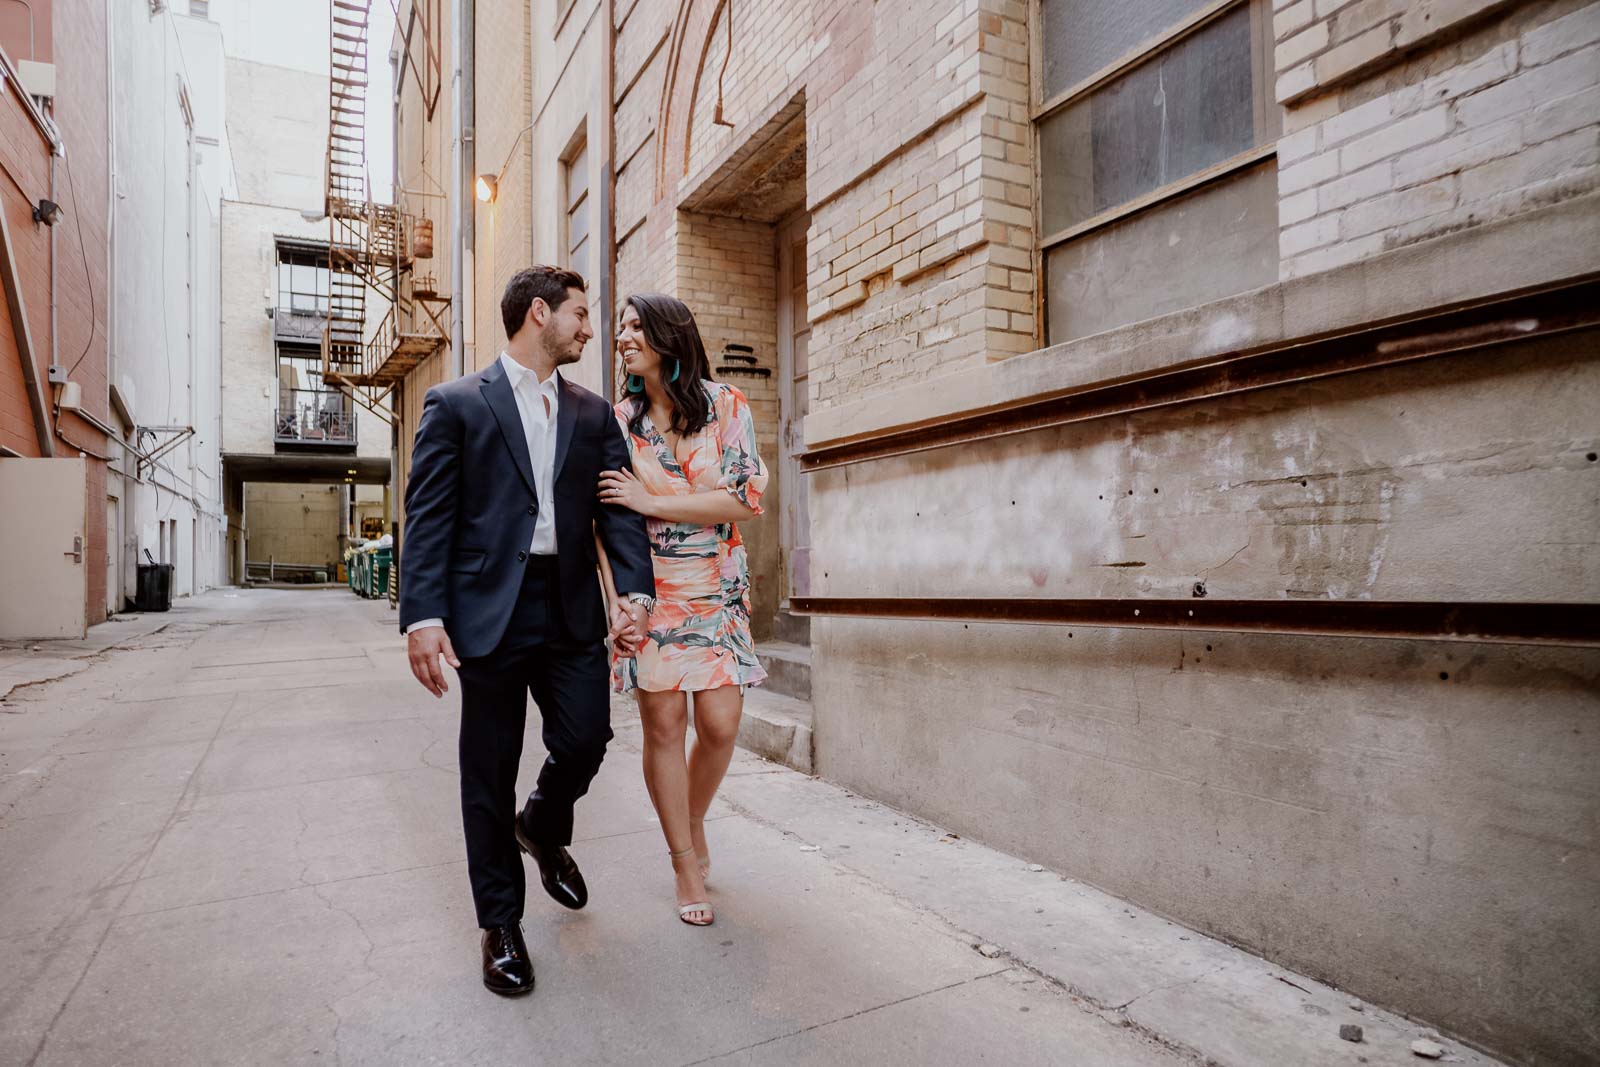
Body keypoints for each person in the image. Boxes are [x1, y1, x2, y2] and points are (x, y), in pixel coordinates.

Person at [399, 266, 656, 997]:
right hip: (487, 608)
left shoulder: (592, 413)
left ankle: (542, 824)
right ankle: (501, 924)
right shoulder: (456, 404)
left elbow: (617, 512)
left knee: (585, 738)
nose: (589, 326)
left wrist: (632, 591)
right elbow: (432, 517)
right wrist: (422, 614)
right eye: (579, 313)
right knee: (487, 769)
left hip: (569, 602)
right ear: (538, 313)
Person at [596, 293, 768, 928]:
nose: (623, 336)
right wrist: (619, 603)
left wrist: (652, 500)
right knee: (665, 729)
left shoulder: (726, 406)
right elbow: (607, 523)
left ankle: (692, 819)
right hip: (653, 593)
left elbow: (745, 499)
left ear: (670, 336)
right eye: (621, 327)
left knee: (720, 725)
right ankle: (682, 861)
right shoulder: (616, 423)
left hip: (716, 591)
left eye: (636, 326)